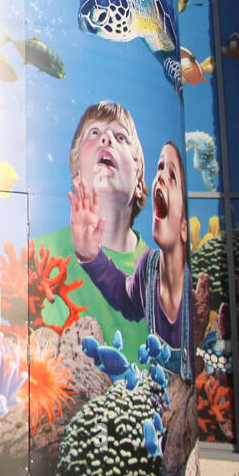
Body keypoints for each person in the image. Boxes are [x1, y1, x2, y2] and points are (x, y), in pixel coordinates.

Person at [71, 141, 193, 378]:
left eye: (172, 176)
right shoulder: (148, 267)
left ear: (185, 228)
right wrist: (91, 256)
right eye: (159, 168)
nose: (160, 177)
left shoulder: (195, 287)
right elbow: (126, 299)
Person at [38, 102, 150, 349]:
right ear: (76, 171)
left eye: (120, 136)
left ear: (140, 182)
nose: (107, 138)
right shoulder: (38, 256)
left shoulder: (157, 271)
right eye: (94, 133)